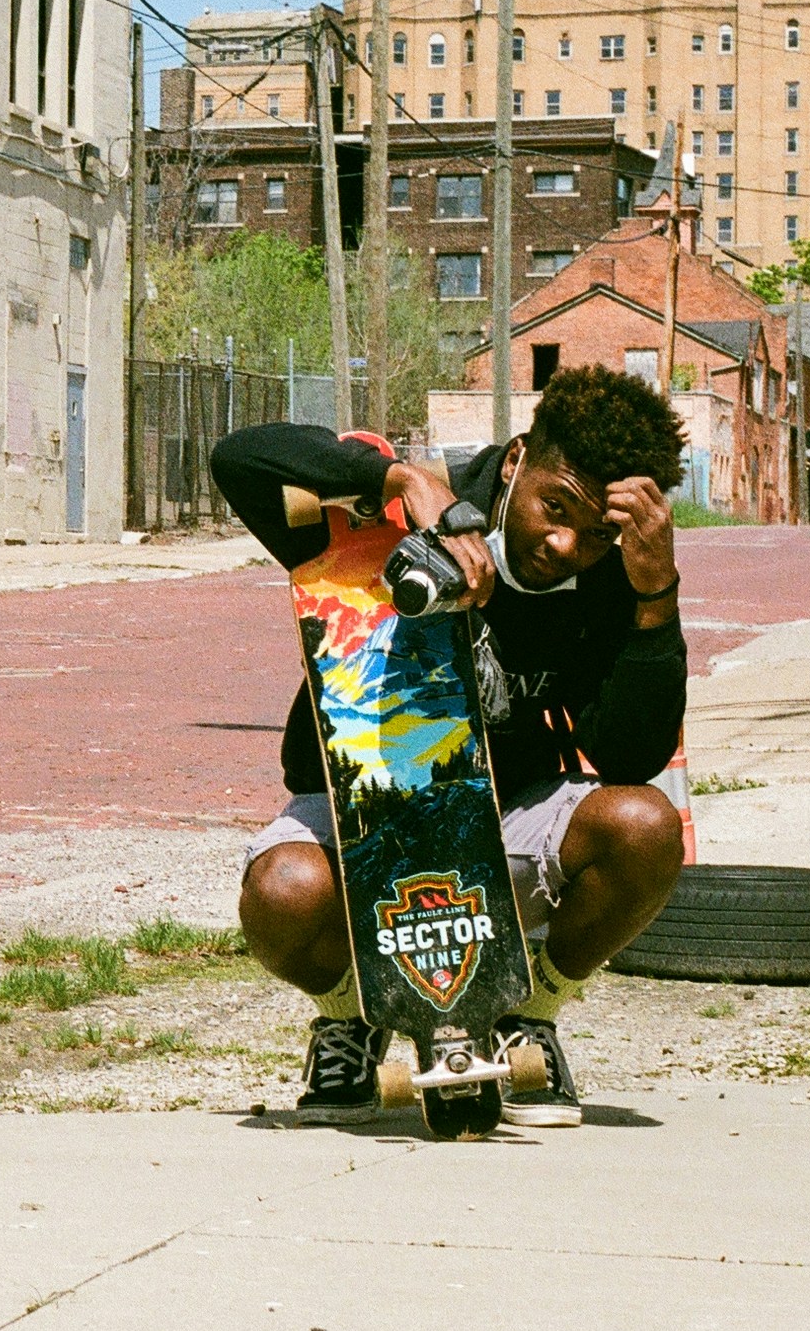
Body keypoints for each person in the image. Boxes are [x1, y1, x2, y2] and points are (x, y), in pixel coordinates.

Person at [208, 366, 691, 1127]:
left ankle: (522, 1017)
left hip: (503, 819)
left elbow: (630, 759)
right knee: (281, 891)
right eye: (553, 507)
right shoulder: (397, 510)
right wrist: (393, 477)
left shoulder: (610, 573)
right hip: (364, 809)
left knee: (644, 825)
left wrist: (653, 595)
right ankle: (355, 1015)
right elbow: (239, 458)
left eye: (597, 532)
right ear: (515, 461)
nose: (564, 545)